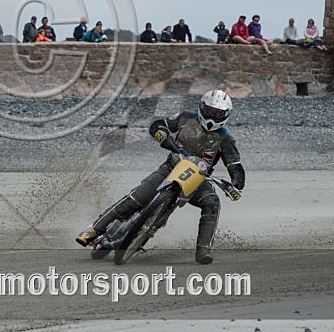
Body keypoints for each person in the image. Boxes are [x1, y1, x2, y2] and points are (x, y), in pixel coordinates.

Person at [76, 90, 245, 264]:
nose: (212, 116)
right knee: (136, 198)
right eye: (209, 111)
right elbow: (158, 125)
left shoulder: (226, 139)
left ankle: (203, 250)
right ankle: (94, 230)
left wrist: (236, 184)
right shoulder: (185, 118)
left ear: (226, 115)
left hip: (199, 180)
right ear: (201, 107)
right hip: (171, 167)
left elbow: (236, 167)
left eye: (218, 113)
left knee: (212, 203)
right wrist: (162, 135)